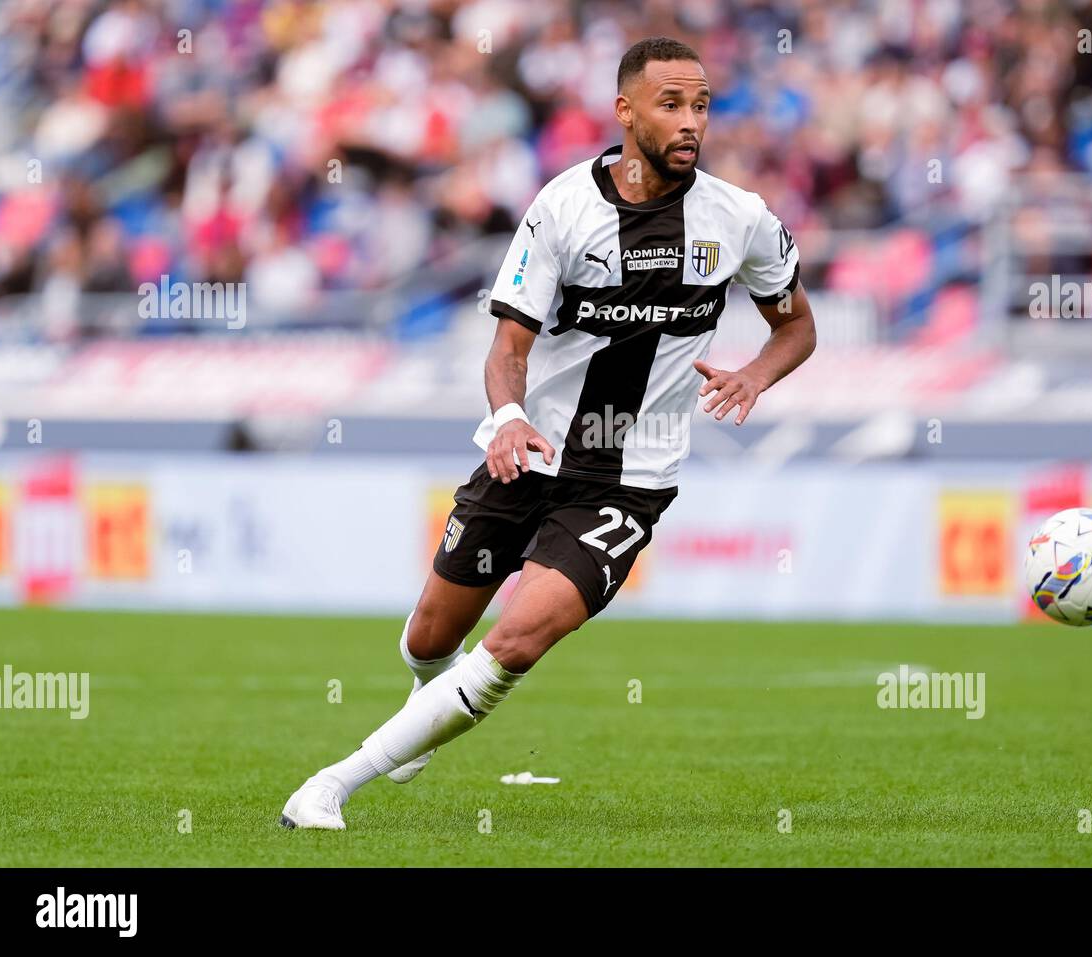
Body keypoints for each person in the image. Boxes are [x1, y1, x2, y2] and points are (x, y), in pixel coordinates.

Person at [280, 35, 816, 829]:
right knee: (431, 635)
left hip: (628, 481)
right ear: (624, 111)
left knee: (517, 641)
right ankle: (427, 703)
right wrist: (507, 418)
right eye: (671, 103)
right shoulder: (563, 207)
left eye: (701, 104)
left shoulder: (739, 219)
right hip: (529, 452)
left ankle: (331, 782)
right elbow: (508, 349)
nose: (691, 121)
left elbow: (797, 326)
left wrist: (755, 374)